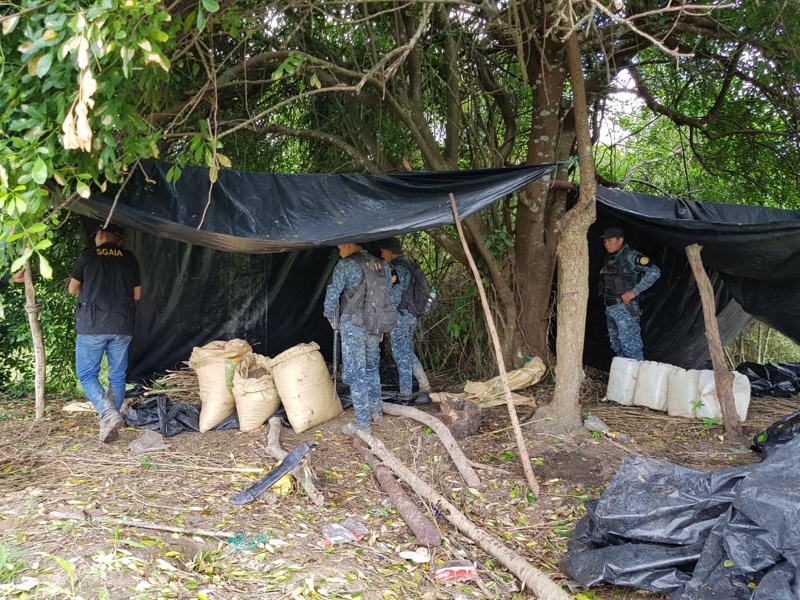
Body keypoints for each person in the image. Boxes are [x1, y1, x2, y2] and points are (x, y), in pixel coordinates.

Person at [68, 224, 141, 442]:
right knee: (117, 375)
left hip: (92, 325)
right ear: (120, 241)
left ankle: (108, 413)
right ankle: (109, 422)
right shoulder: (129, 258)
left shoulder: (88, 256)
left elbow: (72, 289)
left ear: (99, 235)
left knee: (87, 374)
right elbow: (137, 295)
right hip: (122, 324)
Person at [323, 242, 391, 433]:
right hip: (375, 325)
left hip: (353, 326)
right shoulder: (382, 265)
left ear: (348, 244)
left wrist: (331, 318)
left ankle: (362, 425)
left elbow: (332, 295)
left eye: (339, 247)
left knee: (357, 373)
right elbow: (388, 298)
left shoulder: (346, 265)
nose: (338, 250)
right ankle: (376, 413)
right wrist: (382, 326)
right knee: (371, 368)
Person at [377, 237, 431, 400]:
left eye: (383, 252)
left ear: (389, 251)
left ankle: (405, 392)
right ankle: (424, 385)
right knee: (407, 351)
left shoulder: (398, 269)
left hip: (400, 316)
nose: (382, 255)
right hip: (412, 315)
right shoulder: (410, 264)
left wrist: (384, 314)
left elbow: (394, 297)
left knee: (400, 353)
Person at [598, 227, 660, 361]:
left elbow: (654, 271)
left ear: (620, 240)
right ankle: (626, 380)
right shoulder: (610, 259)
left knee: (632, 348)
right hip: (611, 308)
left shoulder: (630, 256)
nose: (606, 244)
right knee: (617, 347)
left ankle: (638, 379)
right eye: (604, 241)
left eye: (609, 240)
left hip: (625, 308)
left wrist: (634, 292)